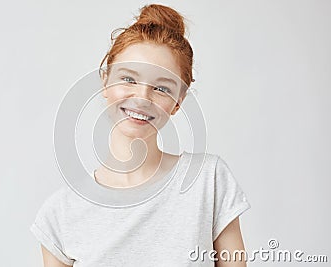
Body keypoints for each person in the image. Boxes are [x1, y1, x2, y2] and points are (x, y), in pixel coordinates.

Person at [30, 4, 250, 266]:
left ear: (178, 102)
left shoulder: (208, 181)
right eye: (129, 79)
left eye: (161, 88)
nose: (142, 98)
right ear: (105, 82)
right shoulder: (60, 213)